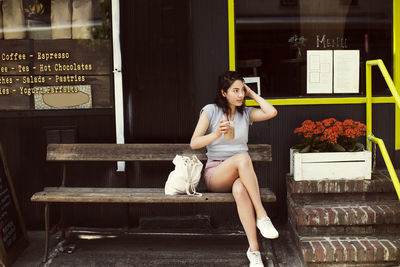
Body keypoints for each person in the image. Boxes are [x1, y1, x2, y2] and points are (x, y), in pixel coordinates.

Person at [190, 71, 278, 267]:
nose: (240, 95)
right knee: (243, 158)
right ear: (224, 92)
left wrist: (252, 94)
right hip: (216, 174)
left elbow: (271, 112)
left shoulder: (245, 113)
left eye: (242, 90)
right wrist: (216, 134)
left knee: (240, 190)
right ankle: (262, 215)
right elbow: (194, 143)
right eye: (235, 91)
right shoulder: (210, 111)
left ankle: (254, 251)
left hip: (239, 174)